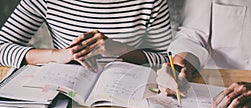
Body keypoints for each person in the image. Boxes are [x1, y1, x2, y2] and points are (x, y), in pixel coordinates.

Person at [0, 0, 172, 71]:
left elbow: (167, 60)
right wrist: (56, 55)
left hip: (127, 92)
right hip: (64, 91)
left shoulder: (151, 2)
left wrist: (121, 51)